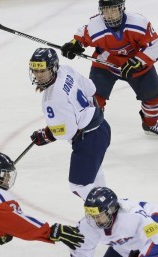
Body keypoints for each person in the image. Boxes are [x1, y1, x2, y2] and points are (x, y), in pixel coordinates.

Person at [60, 0, 158, 136]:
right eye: (105, 10)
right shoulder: (95, 25)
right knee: (95, 97)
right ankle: (94, 130)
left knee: (153, 95)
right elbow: (82, 36)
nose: (109, 14)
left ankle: (150, 124)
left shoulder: (139, 23)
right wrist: (75, 44)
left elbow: (153, 45)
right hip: (105, 64)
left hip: (135, 64)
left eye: (113, 9)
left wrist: (138, 61)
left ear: (121, 8)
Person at [28, 48, 111, 200]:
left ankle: (108, 210)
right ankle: (110, 213)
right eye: (35, 70)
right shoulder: (65, 70)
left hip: (89, 139)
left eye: (42, 71)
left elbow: (67, 132)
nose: (38, 75)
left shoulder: (51, 99)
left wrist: (46, 135)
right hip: (102, 127)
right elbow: (91, 89)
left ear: (52, 68)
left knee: (78, 185)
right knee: (94, 175)